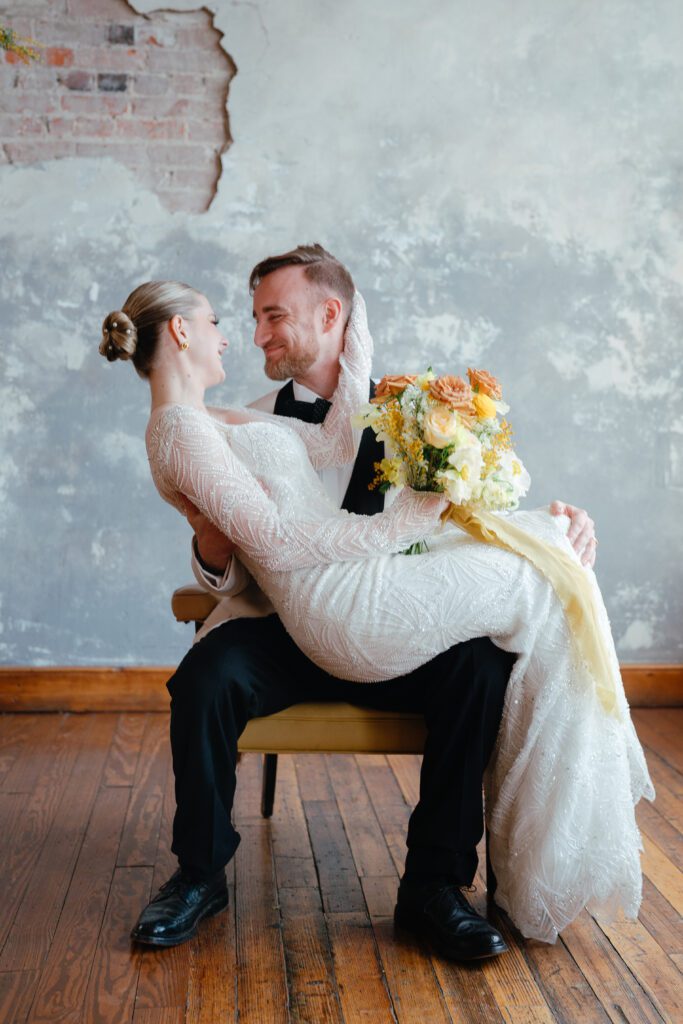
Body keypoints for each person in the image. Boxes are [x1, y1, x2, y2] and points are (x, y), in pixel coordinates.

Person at [100, 249, 652, 951]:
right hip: (288, 620)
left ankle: (436, 886)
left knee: (482, 666)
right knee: (207, 677)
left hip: (402, 615)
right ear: (181, 335)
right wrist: (211, 552)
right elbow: (256, 550)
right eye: (243, 319)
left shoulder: (423, 413)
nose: (255, 335)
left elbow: (465, 515)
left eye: (273, 316)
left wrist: (548, 526)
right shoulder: (251, 419)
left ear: (331, 315)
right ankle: (198, 873)